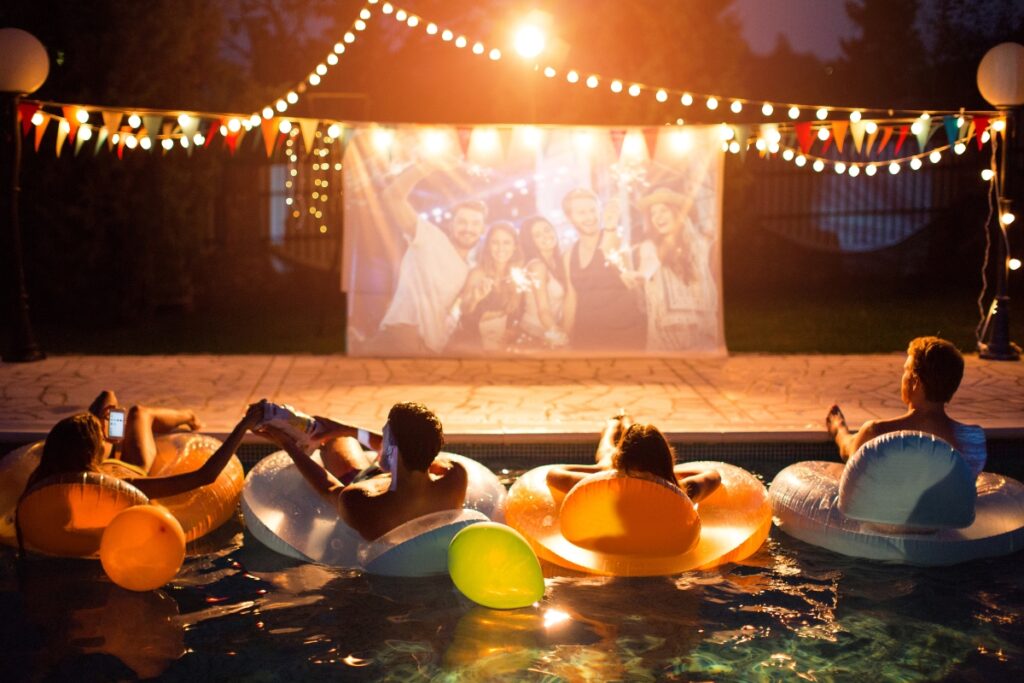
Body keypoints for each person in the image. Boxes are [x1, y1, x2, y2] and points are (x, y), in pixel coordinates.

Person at [257, 402, 468, 541]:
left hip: (368, 479)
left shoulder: (361, 500)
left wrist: (287, 445)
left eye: (384, 436)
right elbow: (415, 450)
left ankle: (312, 437)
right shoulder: (455, 478)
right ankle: (331, 433)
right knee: (339, 435)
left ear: (391, 447)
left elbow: (329, 488)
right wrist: (347, 429)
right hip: (392, 475)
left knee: (334, 441)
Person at [23, 390, 261, 500]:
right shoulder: (118, 487)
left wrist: (104, 434)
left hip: (100, 463)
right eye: (100, 438)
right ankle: (189, 416)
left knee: (108, 398)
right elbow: (205, 476)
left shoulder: (41, 480)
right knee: (140, 413)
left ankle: (112, 432)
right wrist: (244, 425)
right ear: (89, 452)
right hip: (132, 465)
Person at [826, 336, 986, 477]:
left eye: (905, 370)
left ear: (915, 382)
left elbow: (848, 449)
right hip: (944, 511)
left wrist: (839, 429)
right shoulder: (973, 440)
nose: (902, 377)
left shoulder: (876, 433)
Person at [374, 161, 488, 354]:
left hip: (431, 348)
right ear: (451, 224)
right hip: (403, 335)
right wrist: (428, 164)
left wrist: (475, 300)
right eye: (462, 221)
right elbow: (392, 197)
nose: (469, 228)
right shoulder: (429, 237)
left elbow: (464, 308)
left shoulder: (469, 268)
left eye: (475, 223)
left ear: (482, 229)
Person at [546, 414, 721, 503]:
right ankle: (619, 424)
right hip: (645, 468)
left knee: (607, 452)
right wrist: (668, 474)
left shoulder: (601, 486)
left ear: (621, 462)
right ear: (665, 460)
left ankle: (615, 424)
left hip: (614, 468)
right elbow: (712, 475)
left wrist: (604, 471)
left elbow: (554, 475)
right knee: (608, 451)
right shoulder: (683, 493)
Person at [634, 187, 721, 352]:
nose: (657, 217)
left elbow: (709, 289)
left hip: (701, 340)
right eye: (653, 213)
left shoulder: (699, 247)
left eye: (663, 210)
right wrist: (639, 276)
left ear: (677, 213)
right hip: (665, 341)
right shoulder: (649, 247)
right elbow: (647, 268)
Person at [560, 188, 646, 351]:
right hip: (586, 338)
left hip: (624, 337)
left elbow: (627, 278)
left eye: (593, 210)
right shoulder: (568, 255)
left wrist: (611, 227)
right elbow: (571, 299)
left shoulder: (616, 240)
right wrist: (565, 338)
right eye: (581, 212)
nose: (590, 217)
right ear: (570, 218)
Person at [447, 222, 525, 353]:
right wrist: (474, 299)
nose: (500, 248)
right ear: (488, 246)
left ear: (515, 247)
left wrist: (512, 332)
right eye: (495, 242)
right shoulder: (478, 274)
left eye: (506, 242)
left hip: (500, 348)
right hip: (472, 346)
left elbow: (517, 315)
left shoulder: (517, 276)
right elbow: (464, 309)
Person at [516, 215, 568, 349]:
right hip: (533, 335)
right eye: (537, 235)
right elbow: (543, 310)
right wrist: (560, 337)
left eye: (547, 229)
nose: (545, 235)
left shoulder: (557, 262)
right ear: (531, 242)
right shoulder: (537, 266)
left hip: (547, 333)